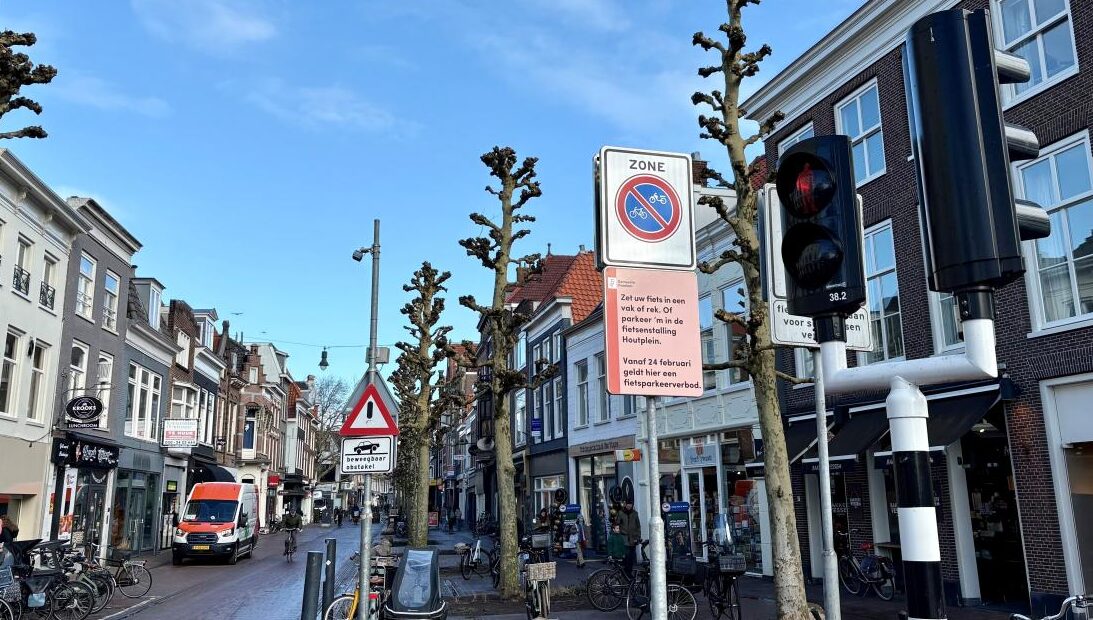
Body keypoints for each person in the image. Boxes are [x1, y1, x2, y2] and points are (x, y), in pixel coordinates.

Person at [616, 500, 641, 577]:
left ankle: (629, 572)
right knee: (625, 556)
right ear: (625, 504)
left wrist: (638, 537)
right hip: (624, 538)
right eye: (628, 504)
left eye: (630, 504)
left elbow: (638, 526)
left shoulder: (635, 514)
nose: (629, 506)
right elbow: (617, 524)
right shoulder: (621, 513)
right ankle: (624, 572)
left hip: (633, 539)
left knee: (631, 557)